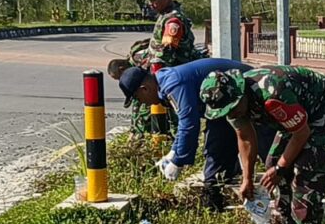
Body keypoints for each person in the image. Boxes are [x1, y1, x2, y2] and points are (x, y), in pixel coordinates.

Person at [200, 66, 325, 224]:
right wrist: (247, 178)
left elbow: (301, 133)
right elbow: (245, 137)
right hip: (296, 115)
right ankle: (289, 223)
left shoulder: (273, 95)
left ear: (241, 95)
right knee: (272, 162)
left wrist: (281, 167)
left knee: (308, 166)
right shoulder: (232, 104)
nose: (233, 114)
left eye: (233, 109)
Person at [116, 59, 276, 208]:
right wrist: (174, 151)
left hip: (246, 94)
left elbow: (189, 124)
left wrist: (178, 161)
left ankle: (289, 197)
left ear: (144, 89)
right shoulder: (164, 83)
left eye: (137, 98)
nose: (142, 103)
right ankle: (216, 198)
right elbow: (183, 120)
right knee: (215, 157)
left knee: (269, 152)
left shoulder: (173, 83)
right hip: (220, 107)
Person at [143, 0, 200, 72]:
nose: (150, 3)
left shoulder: (173, 20)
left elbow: (167, 52)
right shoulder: (164, 14)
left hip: (174, 71)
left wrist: (153, 73)